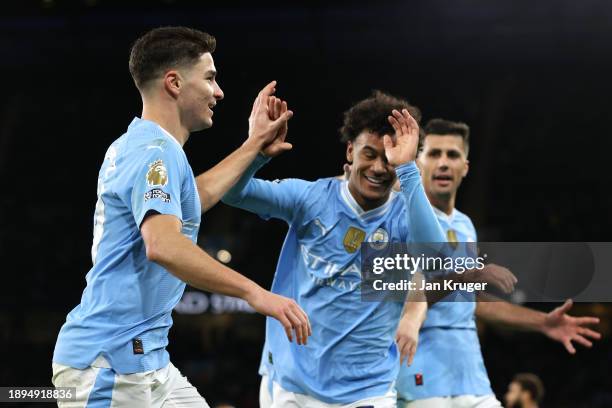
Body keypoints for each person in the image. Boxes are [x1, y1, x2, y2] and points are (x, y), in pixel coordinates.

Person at [52, 26, 310, 408]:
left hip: (147, 362)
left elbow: (196, 197)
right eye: (209, 78)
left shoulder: (141, 143)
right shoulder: (157, 152)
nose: (218, 92)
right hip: (110, 366)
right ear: (173, 82)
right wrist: (257, 294)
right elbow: (163, 245)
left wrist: (254, 146)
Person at [223, 91, 446, 407]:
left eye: (389, 158)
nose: (379, 168)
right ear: (350, 151)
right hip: (293, 385)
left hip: (369, 389)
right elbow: (231, 192)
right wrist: (255, 152)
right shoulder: (310, 199)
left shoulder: (405, 215)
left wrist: (408, 169)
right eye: (369, 154)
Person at [395, 118, 602, 407]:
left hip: (471, 376)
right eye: (434, 153)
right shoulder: (398, 218)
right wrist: (468, 275)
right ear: (418, 163)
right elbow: (401, 298)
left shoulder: (465, 225)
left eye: (452, 155)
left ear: (465, 167)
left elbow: (476, 302)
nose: (443, 162)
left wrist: (543, 323)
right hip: (420, 374)